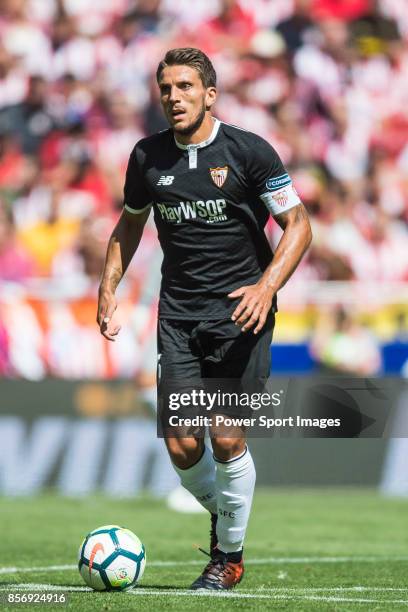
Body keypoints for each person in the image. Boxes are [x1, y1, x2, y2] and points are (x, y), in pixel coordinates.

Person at [97, 47, 312, 590]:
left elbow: (299, 225)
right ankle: (227, 514)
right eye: (166, 87)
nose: (174, 96)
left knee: (225, 434)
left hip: (243, 313)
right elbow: (129, 225)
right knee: (181, 443)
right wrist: (108, 285)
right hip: (179, 314)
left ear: (209, 94)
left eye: (186, 86)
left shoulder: (250, 152)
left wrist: (266, 288)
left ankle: (228, 557)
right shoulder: (146, 157)